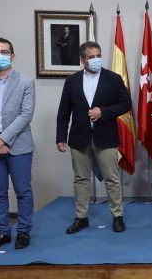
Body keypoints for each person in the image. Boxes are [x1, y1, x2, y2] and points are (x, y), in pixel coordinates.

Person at [56, 41, 132, 234]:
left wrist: (103, 112)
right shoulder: (72, 81)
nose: (96, 59)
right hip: (79, 138)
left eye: (98, 55)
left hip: (106, 136)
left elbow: (126, 104)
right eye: (91, 57)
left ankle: (117, 217)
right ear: (83, 60)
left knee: (112, 179)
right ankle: (81, 218)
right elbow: (63, 112)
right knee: (81, 179)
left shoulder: (113, 79)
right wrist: (60, 137)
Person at [0, 37, 36, 250]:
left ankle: (23, 232)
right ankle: (2, 232)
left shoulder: (26, 82)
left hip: (19, 146)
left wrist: (3, 139)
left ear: (13, 56)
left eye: (4, 51)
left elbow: (26, 114)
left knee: (23, 191)